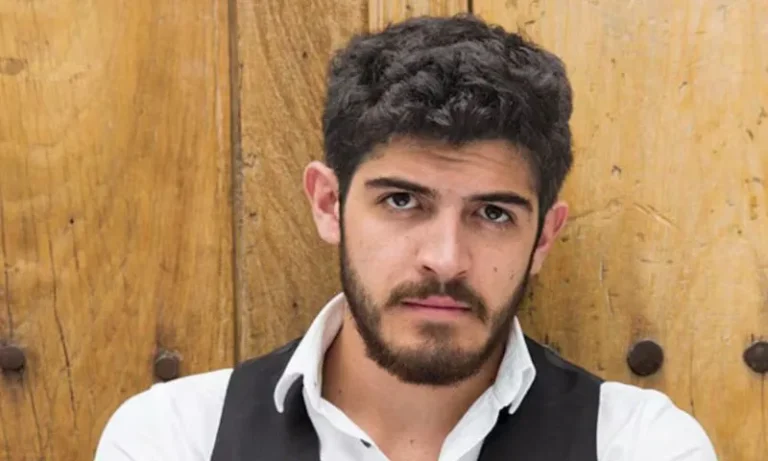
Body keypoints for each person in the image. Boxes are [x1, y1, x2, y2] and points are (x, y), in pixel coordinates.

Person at [94, 14, 717, 461]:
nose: (444, 259)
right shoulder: (174, 439)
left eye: (493, 213)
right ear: (329, 204)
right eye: (401, 201)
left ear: (544, 238)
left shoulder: (642, 445)